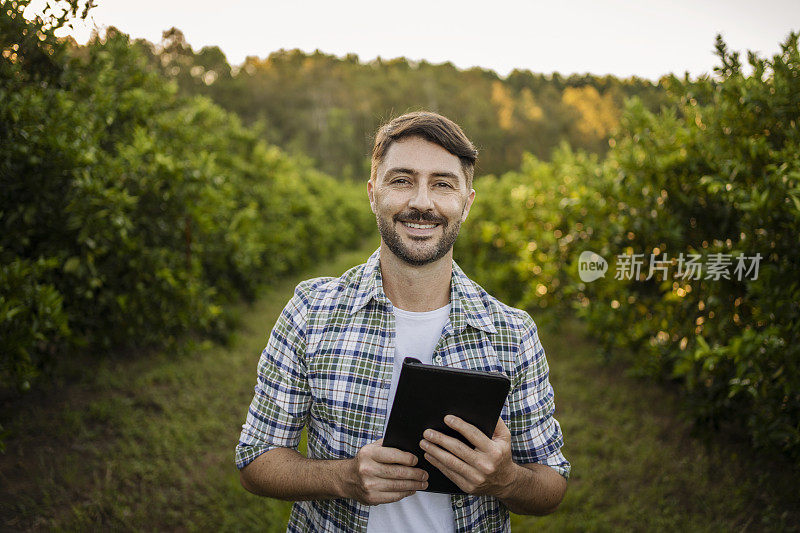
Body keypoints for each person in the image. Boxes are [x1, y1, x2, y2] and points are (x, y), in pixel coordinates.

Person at [235, 111, 570, 532]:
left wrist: (506, 480)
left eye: (442, 184)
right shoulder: (310, 311)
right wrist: (343, 478)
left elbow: (551, 483)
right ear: (373, 194)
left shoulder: (512, 333)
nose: (422, 202)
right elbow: (255, 459)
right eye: (402, 180)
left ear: (466, 203)